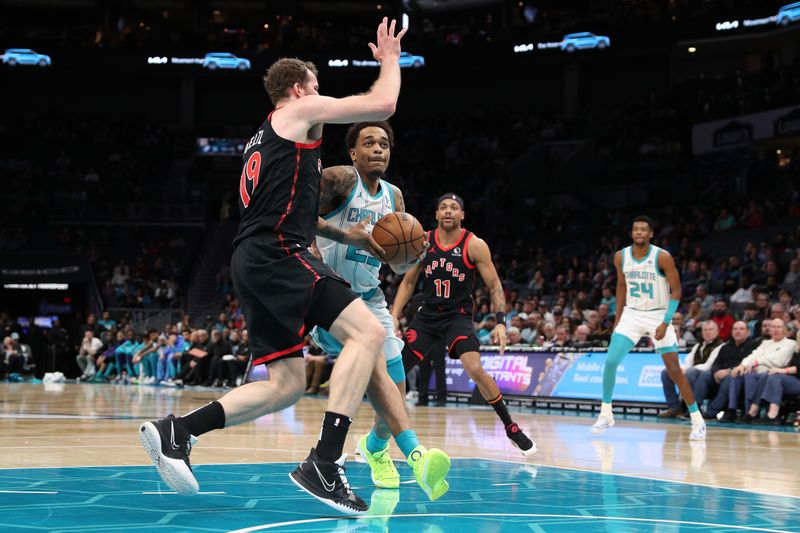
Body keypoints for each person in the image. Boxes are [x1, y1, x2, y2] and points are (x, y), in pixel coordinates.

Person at [139, 19, 438, 515]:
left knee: (287, 385)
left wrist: (343, 235)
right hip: (279, 253)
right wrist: (389, 60)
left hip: (252, 259)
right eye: (317, 88)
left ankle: (179, 431)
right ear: (298, 89)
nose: (321, 97)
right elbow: (383, 105)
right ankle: (324, 460)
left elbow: (293, 204)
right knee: (366, 333)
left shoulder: (262, 139)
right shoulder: (297, 111)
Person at [310, 121, 450, 498]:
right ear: (353, 152)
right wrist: (339, 237)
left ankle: (373, 448)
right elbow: (295, 215)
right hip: (330, 298)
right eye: (368, 143)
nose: (378, 149)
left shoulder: (394, 197)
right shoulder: (339, 179)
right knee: (376, 377)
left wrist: (410, 256)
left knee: (396, 391)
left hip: (371, 300)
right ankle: (416, 455)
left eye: (384, 144)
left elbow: (397, 264)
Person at [392, 193, 537, 455]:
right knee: (394, 374)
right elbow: (409, 282)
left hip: (457, 316)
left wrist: (500, 322)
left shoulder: (474, 244)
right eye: (443, 207)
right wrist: (394, 314)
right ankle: (376, 439)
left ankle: (510, 427)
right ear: (436, 214)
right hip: (427, 317)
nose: (448, 211)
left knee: (475, 368)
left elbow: (494, 285)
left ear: (462, 215)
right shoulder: (422, 241)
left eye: (454, 207)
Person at [591, 216, 707, 440]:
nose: (639, 233)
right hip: (632, 315)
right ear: (632, 233)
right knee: (611, 361)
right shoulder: (620, 256)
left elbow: (677, 291)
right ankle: (606, 413)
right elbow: (621, 286)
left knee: (674, 370)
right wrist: (618, 317)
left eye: (644, 230)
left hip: (658, 315)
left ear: (651, 234)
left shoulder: (662, 257)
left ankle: (697, 419)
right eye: (636, 229)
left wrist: (666, 321)